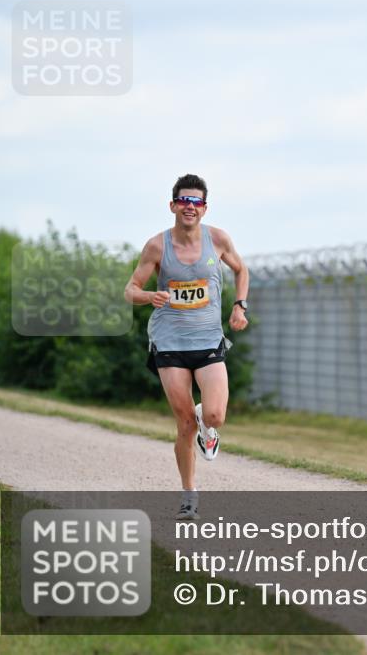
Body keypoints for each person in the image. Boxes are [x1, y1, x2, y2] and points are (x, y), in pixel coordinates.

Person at [124, 173, 249, 520]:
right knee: (184, 424)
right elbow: (130, 289)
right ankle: (189, 495)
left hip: (208, 339)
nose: (189, 207)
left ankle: (207, 425)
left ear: (204, 208)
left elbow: (242, 270)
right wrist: (149, 295)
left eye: (196, 202)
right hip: (169, 341)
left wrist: (240, 306)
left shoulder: (218, 239)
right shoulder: (157, 246)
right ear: (173, 206)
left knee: (215, 415)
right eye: (183, 201)